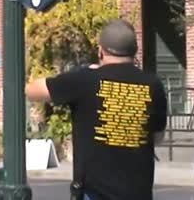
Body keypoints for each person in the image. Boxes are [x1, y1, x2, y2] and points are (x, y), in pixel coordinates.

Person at [26, 19, 168, 200]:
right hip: (138, 192)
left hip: (95, 193)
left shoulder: (85, 80)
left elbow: (32, 91)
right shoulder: (153, 85)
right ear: (135, 52)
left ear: (100, 51)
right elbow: (157, 136)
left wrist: (79, 72)